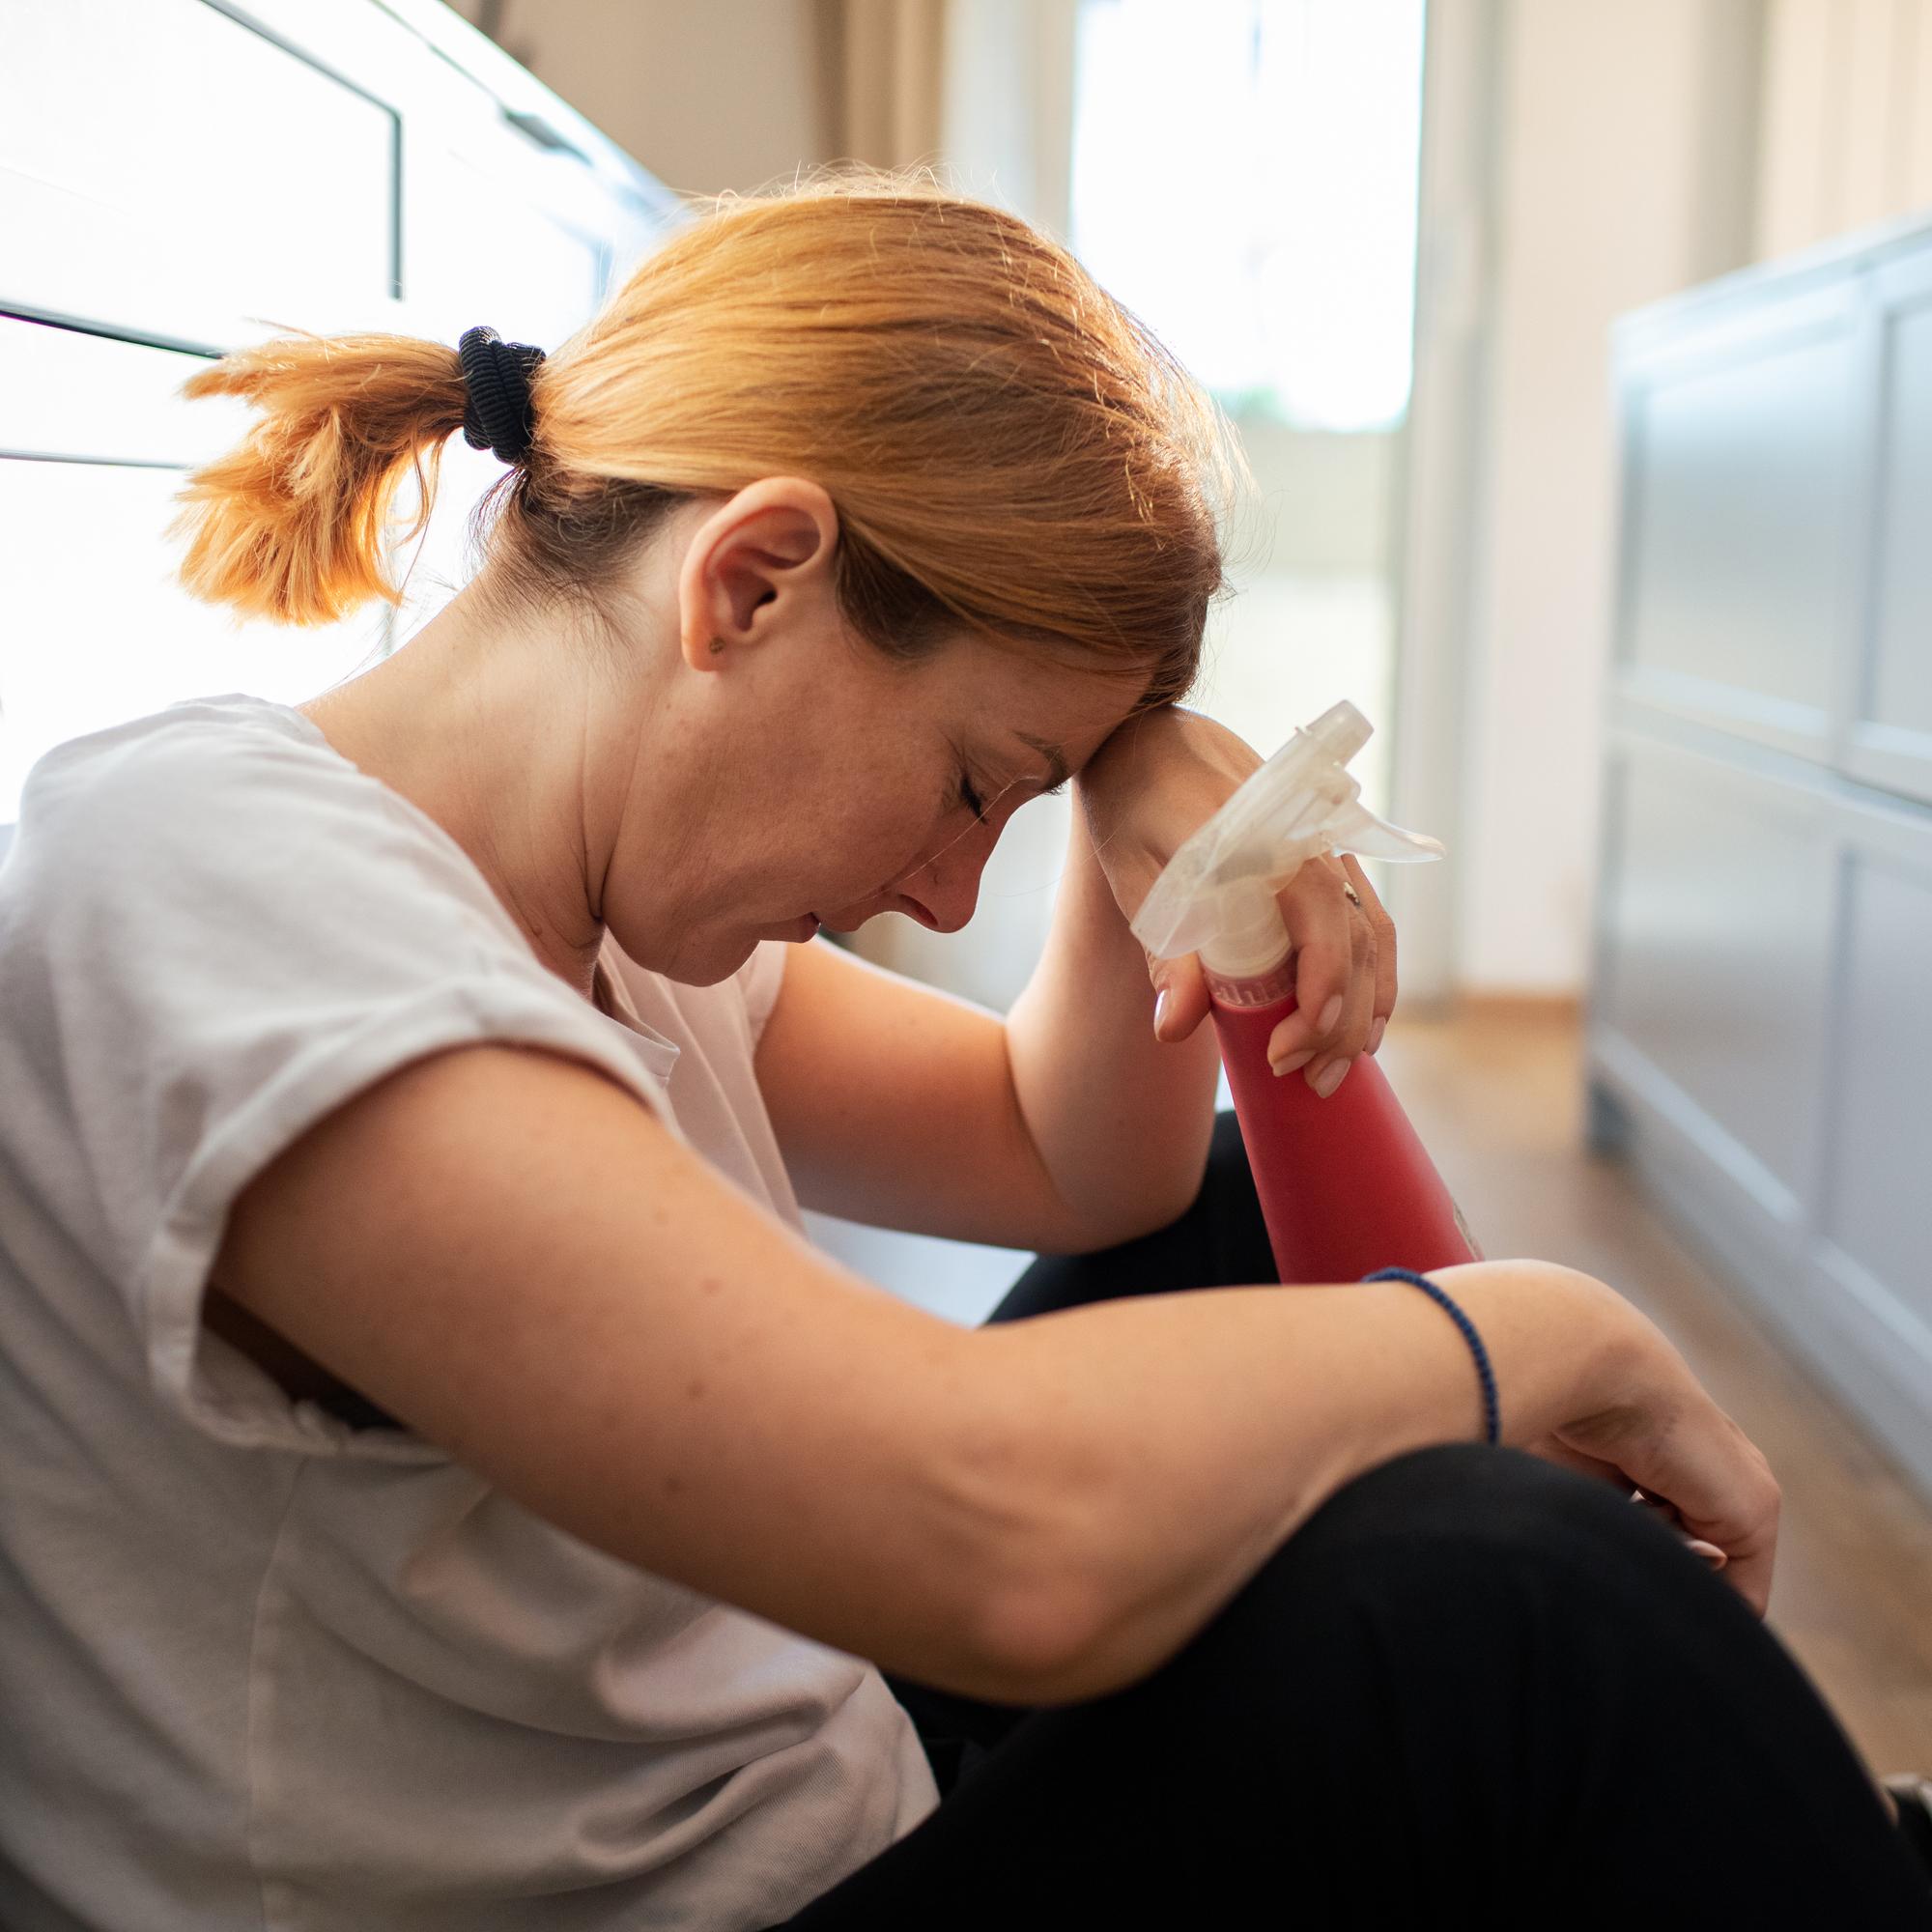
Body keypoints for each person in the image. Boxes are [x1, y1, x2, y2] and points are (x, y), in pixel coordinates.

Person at [0, 177, 1923, 1932]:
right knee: (1501, 1607)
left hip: (801, 1786)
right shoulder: (221, 891)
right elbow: (991, 1540)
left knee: (1229, 1228)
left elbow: (1079, 1158)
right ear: (751, 580)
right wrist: (1541, 1338)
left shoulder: (590, 907)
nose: (941, 890)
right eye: (972, 784)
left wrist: (1131, 810)